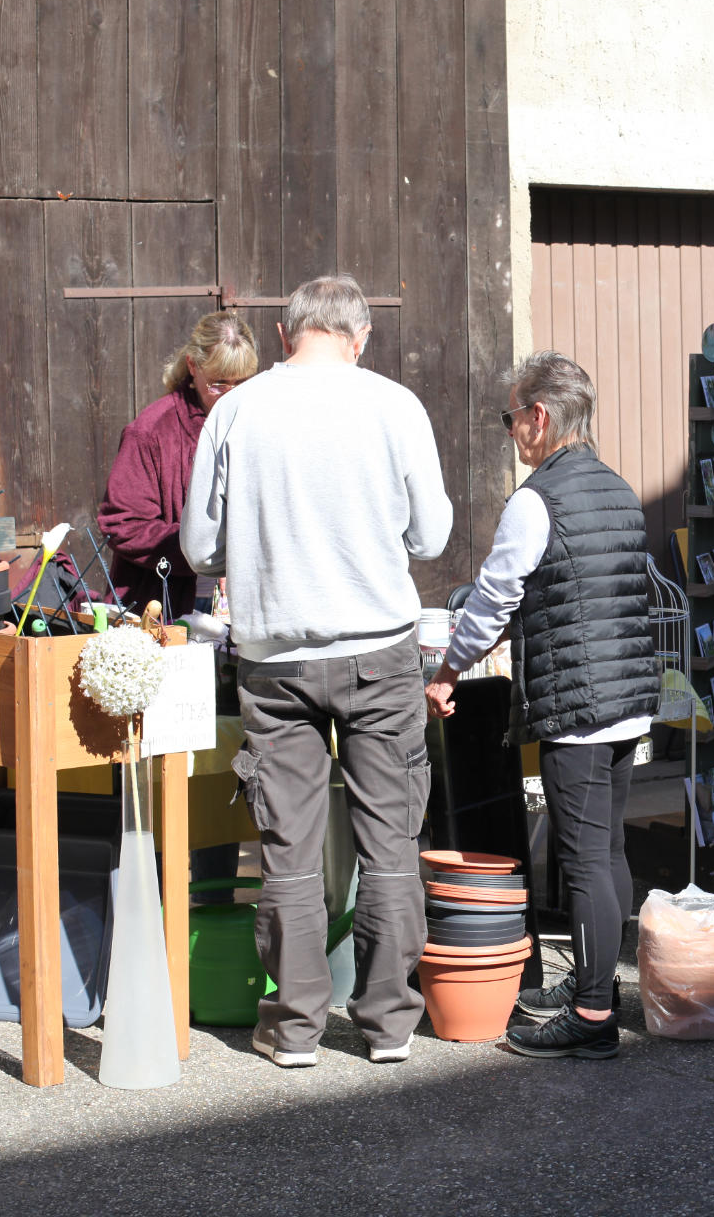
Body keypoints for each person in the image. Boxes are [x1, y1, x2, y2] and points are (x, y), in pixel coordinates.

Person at [181, 272, 454, 1066]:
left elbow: (200, 549)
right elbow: (431, 537)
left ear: (282, 336)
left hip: (274, 660)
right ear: (361, 337)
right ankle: (388, 1025)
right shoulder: (394, 405)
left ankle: (296, 1026)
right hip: (379, 653)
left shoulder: (236, 410)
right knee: (389, 844)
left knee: (288, 850)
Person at [425, 351, 659, 1059]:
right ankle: (599, 983)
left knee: (583, 861)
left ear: (538, 416)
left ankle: (591, 1016)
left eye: (510, 418)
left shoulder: (538, 500)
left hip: (578, 706)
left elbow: (496, 593)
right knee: (608, 851)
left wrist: (448, 668)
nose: (510, 433)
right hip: (627, 699)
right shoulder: (618, 489)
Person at [98, 311, 259, 616]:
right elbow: (123, 522)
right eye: (218, 384)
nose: (231, 395)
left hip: (246, 603)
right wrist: (210, 553)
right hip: (166, 603)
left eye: (242, 383)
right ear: (193, 366)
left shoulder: (261, 421)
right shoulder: (151, 430)